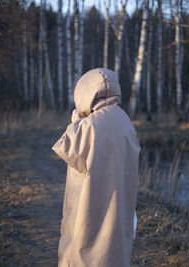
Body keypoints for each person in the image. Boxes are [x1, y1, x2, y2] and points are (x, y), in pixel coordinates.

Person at [52, 68, 140, 267]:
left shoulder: (89, 125)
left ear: (85, 93)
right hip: (119, 205)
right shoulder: (125, 121)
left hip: (89, 206)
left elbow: (67, 149)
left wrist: (74, 124)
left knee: (84, 248)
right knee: (114, 250)